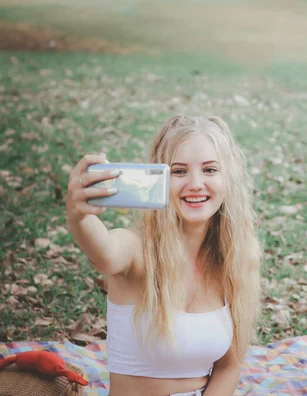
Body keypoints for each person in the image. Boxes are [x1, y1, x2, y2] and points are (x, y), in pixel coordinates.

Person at [66, 115, 261, 396]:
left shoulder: (237, 255)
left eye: (209, 170)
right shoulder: (136, 249)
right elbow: (105, 252)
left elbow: (229, 367)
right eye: (179, 172)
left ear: (228, 178)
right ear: (160, 179)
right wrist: (78, 215)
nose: (195, 183)